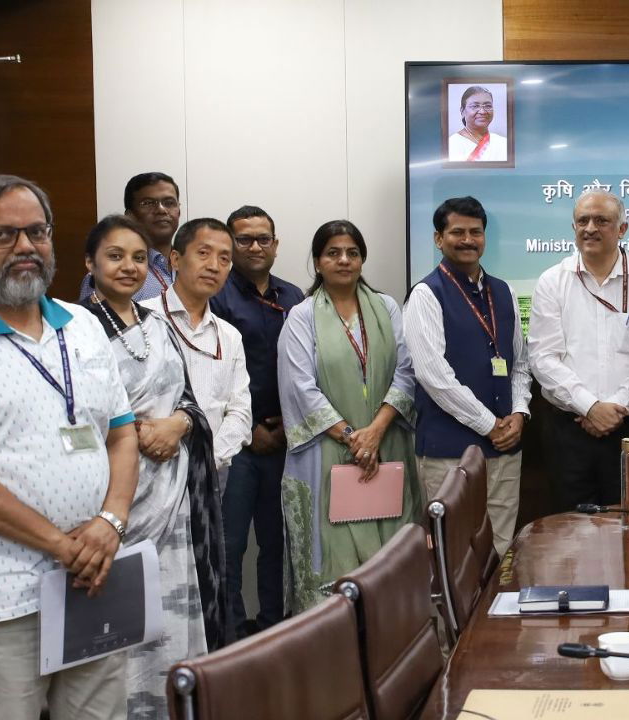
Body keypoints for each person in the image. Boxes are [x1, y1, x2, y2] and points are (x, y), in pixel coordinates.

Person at [0, 174, 139, 719]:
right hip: (3, 598)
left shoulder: (84, 327)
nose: (26, 247)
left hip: (94, 578)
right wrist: (59, 543)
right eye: (3, 235)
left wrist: (109, 524)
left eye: (37, 232)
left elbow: (121, 433)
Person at [81, 214, 224, 715]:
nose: (129, 267)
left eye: (139, 258)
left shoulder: (156, 323)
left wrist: (179, 426)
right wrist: (134, 433)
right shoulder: (79, 330)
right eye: (115, 256)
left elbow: (188, 399)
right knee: (117, 629)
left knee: (172, 616)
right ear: (90, 263)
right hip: (114, 500)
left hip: (175, 496)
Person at [278, 220, 419, 611]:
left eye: (352, 253)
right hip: (326, 455)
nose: (344, 260)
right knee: (334, 558)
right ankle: (332, 652)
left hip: (386, 447)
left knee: (390, 553)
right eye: (333, 253)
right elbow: (300, 388)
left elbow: (406, 371)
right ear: (318, 262)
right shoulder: (302, 316)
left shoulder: (387, 307)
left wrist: (374, 433)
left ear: (362, 260)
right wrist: (352, 438)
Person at [404, 197, 531, 556]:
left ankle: (491, 615)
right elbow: (433, 376)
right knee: (453, 553)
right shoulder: (426, 294)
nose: (467, 239)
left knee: (501, 548)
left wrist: (520, 413)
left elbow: (520, 362)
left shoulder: (503, 291)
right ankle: (455, 618)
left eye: (475, 232)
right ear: (437, 239)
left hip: (505, 448)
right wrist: (489, 424)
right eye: (457, 232)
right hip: (450, 451)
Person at [529, 189, 629, 511]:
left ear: (622, 229)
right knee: (571, 530)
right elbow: (543, 357)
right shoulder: (552, 281)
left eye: (601, 220)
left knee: (628, 524)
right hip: (567, 431)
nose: (590, 227)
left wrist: (615, 407)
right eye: (582, 220)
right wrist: (589, 406)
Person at [209, 205, 304, 639]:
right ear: (230, 245)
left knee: (278, 544)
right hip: (236, 444)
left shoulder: (294, 297)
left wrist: (288, 424)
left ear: (276, 244)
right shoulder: (216, 296)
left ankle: (273, 631)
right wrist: (248, 432)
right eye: (244, 239)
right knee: (230, 548)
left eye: (263, 238)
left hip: (287, 439)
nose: (254, 247)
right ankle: (229, 641)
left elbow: (305, 369)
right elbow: (213, 375)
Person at [140, 218, 252, 476]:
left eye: (224, 259)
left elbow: (240, 412)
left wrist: (208, 458)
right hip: (150, 470)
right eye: (203, 253)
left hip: (212, 473)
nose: (214, 266)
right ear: (176, 259)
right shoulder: (142, 318)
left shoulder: (229, 336)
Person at [79, 172, 181, 303]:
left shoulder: (189, 266)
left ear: (179, 211)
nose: (161, 210)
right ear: (129, 216)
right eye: (148, 203)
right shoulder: (108, 275)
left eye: (169, 202)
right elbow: (93, 321)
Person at [448, 86, 507, 162]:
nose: (482, 112)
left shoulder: (503, 143)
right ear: (462, 111)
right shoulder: (451, 144)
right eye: (475, 106)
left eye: (488, 106)